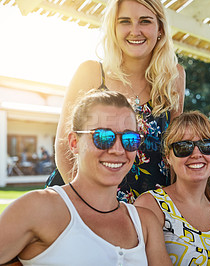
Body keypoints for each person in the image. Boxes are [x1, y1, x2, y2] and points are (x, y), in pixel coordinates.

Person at [0, 90, 171, 265]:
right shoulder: (38, 208)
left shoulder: (144, 223)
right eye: (103, 137)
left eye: (130, 139)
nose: (118, 150)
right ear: (74, 142)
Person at [46, 0, 186, 203]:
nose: (135, 31)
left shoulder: (174, 77)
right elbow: (64, 147)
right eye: (125, 21)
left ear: (160, 29)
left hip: (148, 207)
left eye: (145, 21)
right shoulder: (91, 73)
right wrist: (88, 206)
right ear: (113, 28)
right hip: (81, 201)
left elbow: (175, 150)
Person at [135, 111, 210, 265]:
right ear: (168, 157)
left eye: (206, 145)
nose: (196, 153)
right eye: (183, 147)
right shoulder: (150, 206)